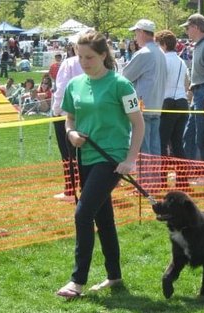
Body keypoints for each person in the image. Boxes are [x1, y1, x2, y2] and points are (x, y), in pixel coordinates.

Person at [56, 31, 144, 298]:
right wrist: (71, 134)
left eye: (89, 57)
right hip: (86, 158)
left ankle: (77, 281)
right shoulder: (74, 85)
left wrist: (130, 159)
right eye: (80, 56)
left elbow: (138, 124)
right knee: (103, 218)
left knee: (83, 214)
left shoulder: (121, 85)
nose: (84, 61)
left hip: (111, 159)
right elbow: (69, 119)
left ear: (103, 55)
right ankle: (114, 276)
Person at [122, 19, 167, 156]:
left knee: (143, 152)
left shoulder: (144, 53)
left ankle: (146, 178)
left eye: (136, 33)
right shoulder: (160, 52)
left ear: (141, 32)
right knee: (154, 150)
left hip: (142, 107)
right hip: (156, 106)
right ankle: (154, 177)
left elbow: (124, 77)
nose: (135, 37)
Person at [180, 14, 204, 162]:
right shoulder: (199, 45)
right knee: (189, 135)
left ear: (196, 27)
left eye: (188, 27)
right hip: (198, 93)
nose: (186, 31)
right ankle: (189, 170)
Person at [155, 29, 190, 189]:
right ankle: (182, 181)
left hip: (167, 102)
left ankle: (161, 180)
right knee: (177, 143)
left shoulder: (162, 60)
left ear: (162, 44)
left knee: (162, 143)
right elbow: (186, 82)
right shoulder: (181, 61)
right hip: (182, 102)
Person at [52, 42, 83, 201]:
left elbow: (61, 89)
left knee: (68, 154)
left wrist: (56, 110)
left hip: (66, 114)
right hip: (87, 114)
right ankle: (84, 188)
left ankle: (70, 191)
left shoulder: (69, 63)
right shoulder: (99, 62)